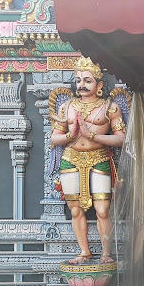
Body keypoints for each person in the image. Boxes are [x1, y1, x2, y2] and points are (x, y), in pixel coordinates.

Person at [50, 57, 126, 264]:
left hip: (99, 157)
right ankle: (84, 251)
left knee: (102, 209)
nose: (81, 85)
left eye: (87, 81)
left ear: (99, 85)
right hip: (71, 158)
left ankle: (106, 253)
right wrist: (71, 135)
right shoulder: (66, 107)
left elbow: (121, 139)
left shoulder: (110, 107)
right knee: (75, 209)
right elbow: (54, 138)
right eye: (78, 80)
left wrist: (92, 136)